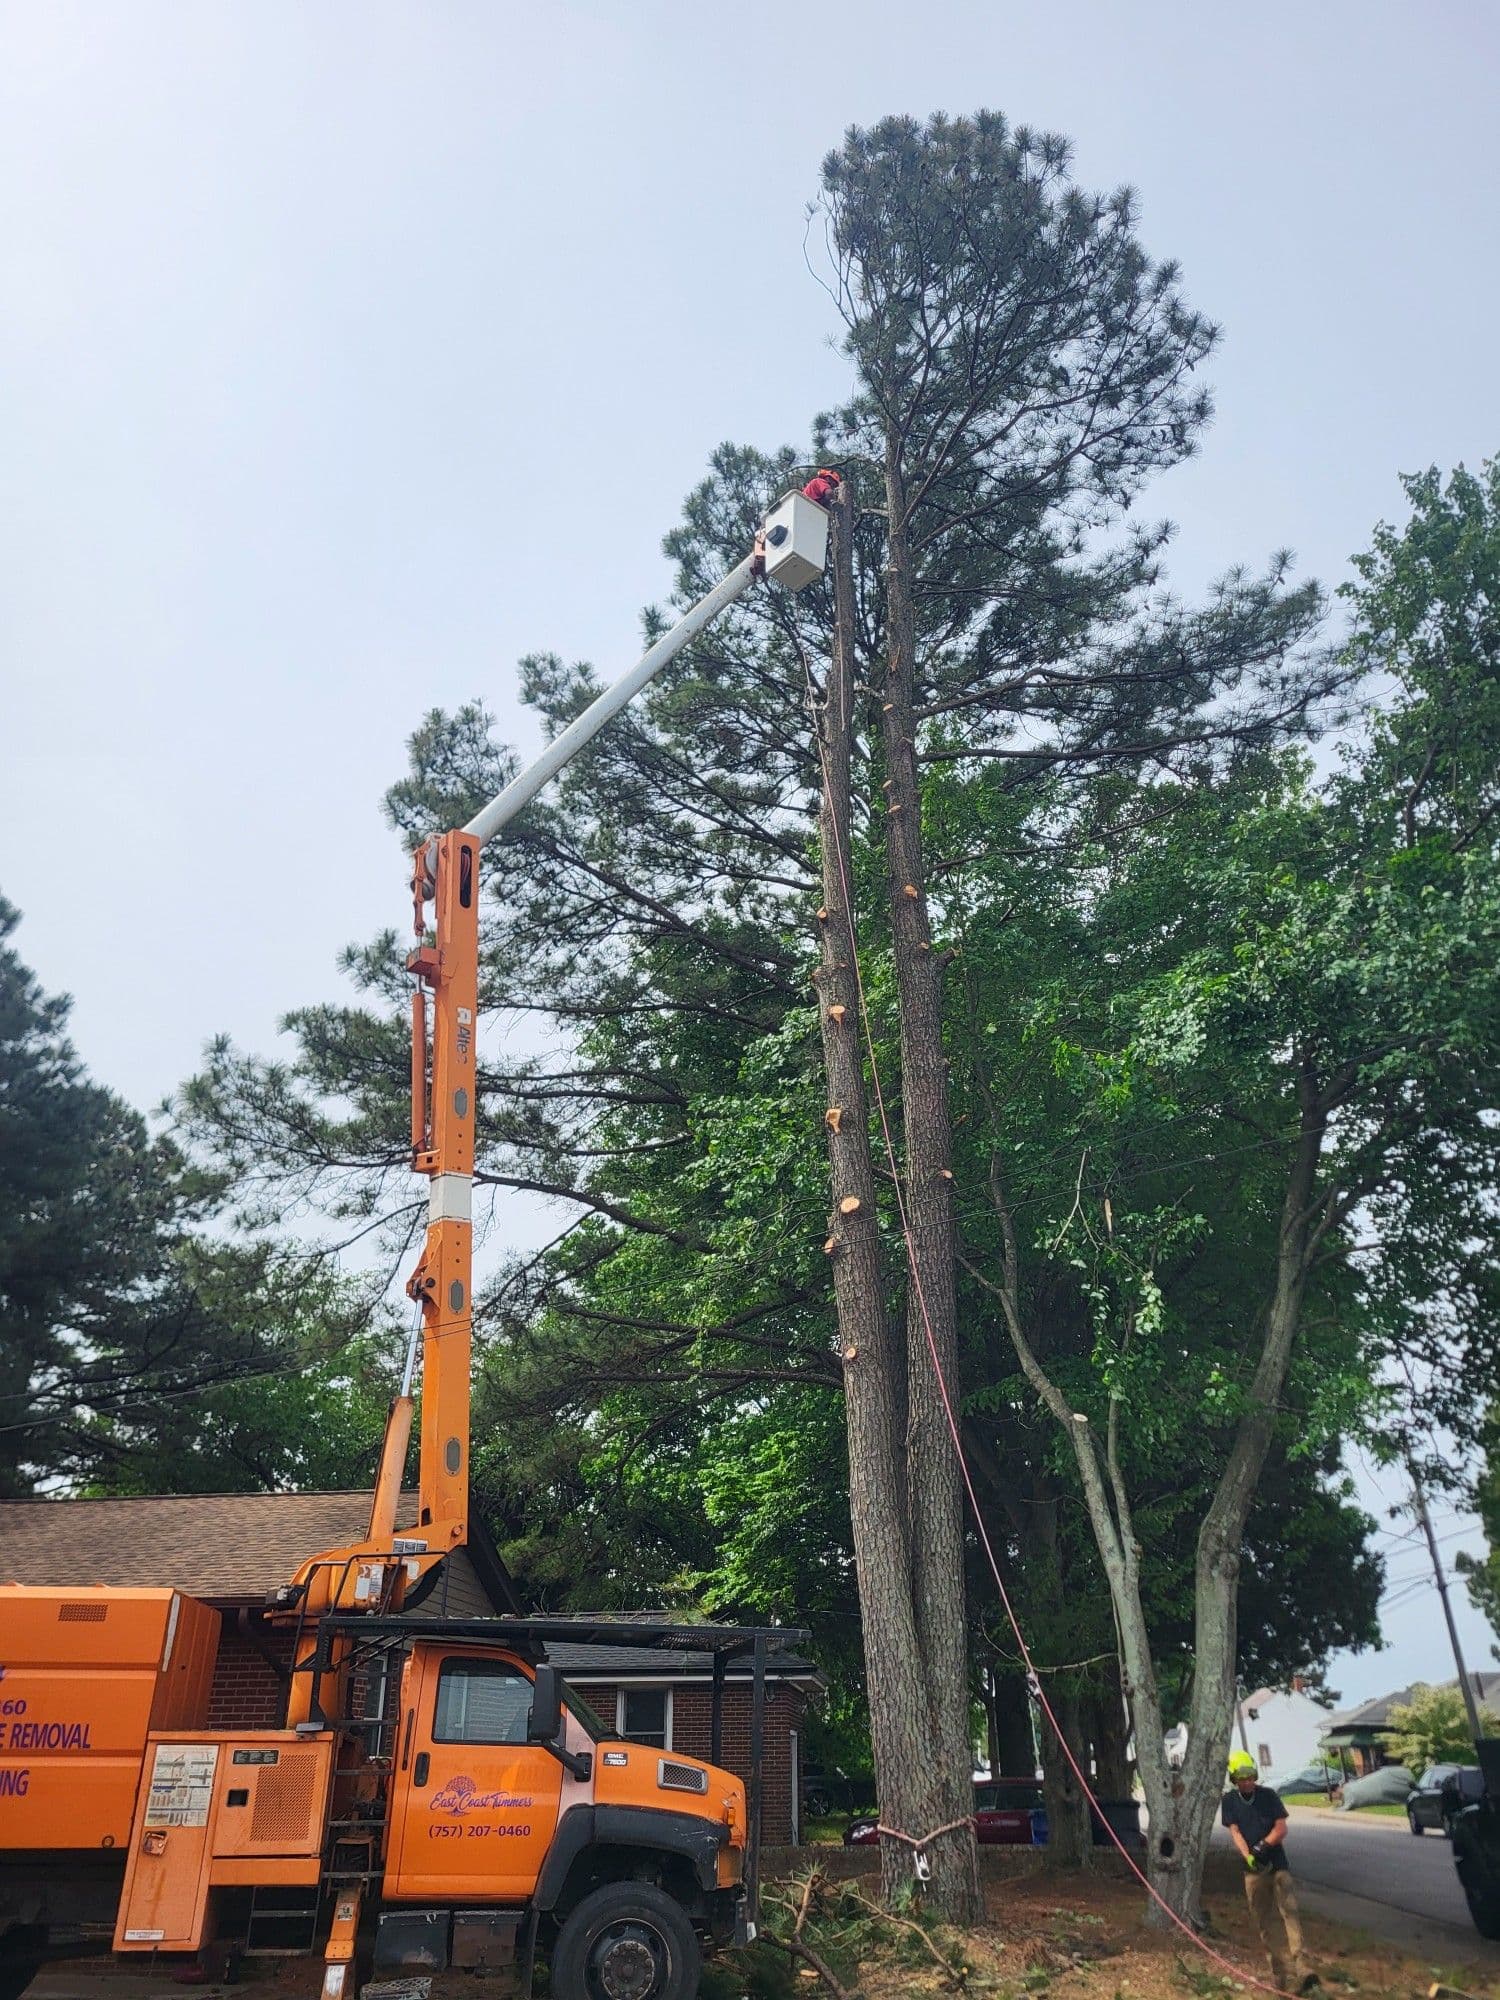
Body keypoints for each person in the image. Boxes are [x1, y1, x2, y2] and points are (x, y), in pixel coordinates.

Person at [1222, 1751, 1317, 1992]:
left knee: (1290, 1913)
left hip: (1278, 1866)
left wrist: (1264, 1846)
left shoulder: (1269, 1796)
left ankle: (1303, 1967)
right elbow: (1235, 1831)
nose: (1247, 1782)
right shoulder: (1230, 1801)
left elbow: (1281, 1827)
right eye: (1242, 1778)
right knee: (1264, 1922)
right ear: (1234, 1778)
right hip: (1253, 1873)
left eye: (1251, 1776)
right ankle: (1279, 1974)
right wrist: (1248, 1856)